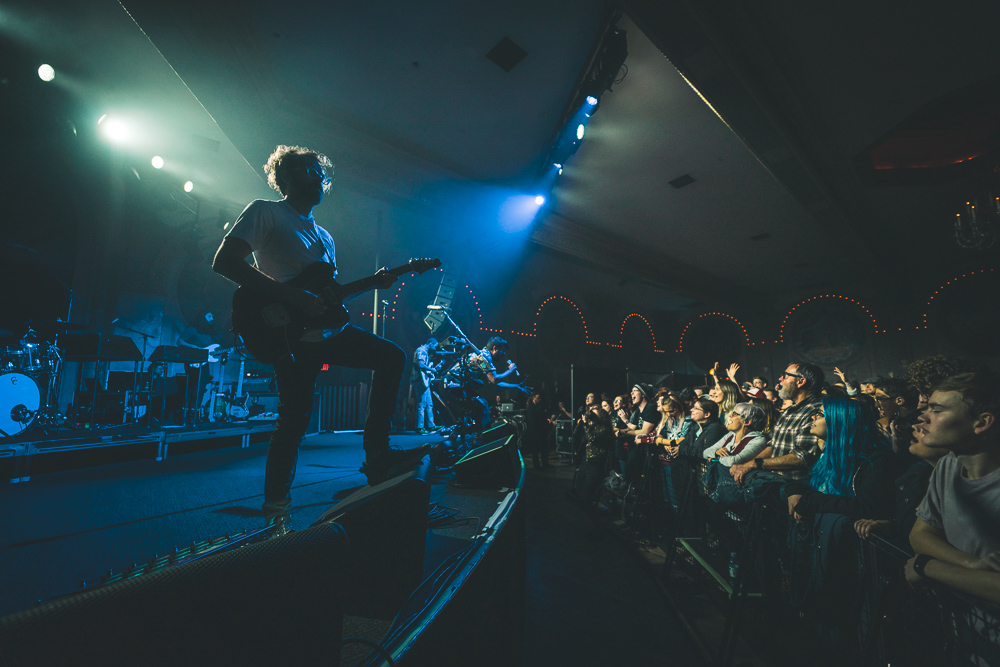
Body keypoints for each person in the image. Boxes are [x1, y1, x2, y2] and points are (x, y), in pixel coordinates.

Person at [212, 144, 429, 533]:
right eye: (309, 170)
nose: (319, 177)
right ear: (287, 177)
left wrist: (374, 283)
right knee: (293, 421)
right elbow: (224, 262)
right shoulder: (267, 211)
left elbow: (327, 295)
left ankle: (377, 455)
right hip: (288, 336)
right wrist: (293, 296)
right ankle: (276, 512)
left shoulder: (325, 236)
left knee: (393, 357)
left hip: (327, 332)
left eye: (320, 172)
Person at [906, 371, 1000, 604]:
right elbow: (921, 534)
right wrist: (971, 564)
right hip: (968, 628)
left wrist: (927, 566)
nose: (923, 418)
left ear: (981, 422)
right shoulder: (949, 465)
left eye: (937, 411)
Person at [783, 393, 894, 523]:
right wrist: (794, 491)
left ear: (838, 420)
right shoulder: (830, 454)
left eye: (820, 413)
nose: (813, 417)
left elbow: (866, 507)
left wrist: (811, 500)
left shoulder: (875, 460)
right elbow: (807, 481)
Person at [729, 363, 824, 485]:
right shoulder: (790, 410)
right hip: (776, 483)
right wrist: (746, 465)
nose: (780, 379)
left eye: (785, 376)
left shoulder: (816, 411)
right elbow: (772, 445)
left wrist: (754, 464)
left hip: (797, 487)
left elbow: (802, 457)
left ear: (801, 382)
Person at [702, 402, 768, 468]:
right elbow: (705, 452)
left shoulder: (758, 440)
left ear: (747, 422)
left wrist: (715, 459)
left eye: (735, 414)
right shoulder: (731, 435)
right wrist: (716, 452)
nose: (730, 415)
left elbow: (735, 461)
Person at [411, 337, 441, 434]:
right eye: (435, 346)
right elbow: (421, 365)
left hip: (424, 381)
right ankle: (419, 427)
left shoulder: (425, 352)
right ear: (431, 343)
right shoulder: (421, 350)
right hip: (419, 380)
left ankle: (431, 425)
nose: (435, 349)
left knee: (429, 403)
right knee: (422, 404)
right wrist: (432, 370)